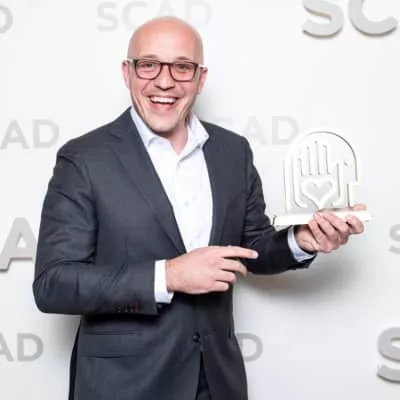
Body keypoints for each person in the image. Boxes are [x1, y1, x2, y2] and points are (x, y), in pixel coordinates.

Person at [33, 16, 365, 400]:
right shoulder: (84, 159)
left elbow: (252, 246)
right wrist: (168, 276)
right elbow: (53, 284)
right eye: (149, 65)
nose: (164, 81)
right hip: (124, 385)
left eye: (182, 67)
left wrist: (302, 240)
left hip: (217, 382)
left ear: (200, 78)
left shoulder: (232, 151)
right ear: (127, 72)